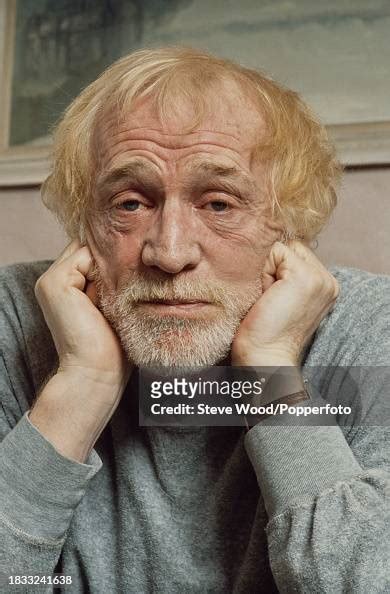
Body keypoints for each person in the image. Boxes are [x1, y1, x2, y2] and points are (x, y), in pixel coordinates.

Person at [0, 47, 389, 593]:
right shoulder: (15, 318)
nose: (170, 251)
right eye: (131, 203)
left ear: (288, 226)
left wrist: (270, 372)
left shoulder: (371, 330)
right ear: (83, 222)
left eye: (219, 204)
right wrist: (81, 384)